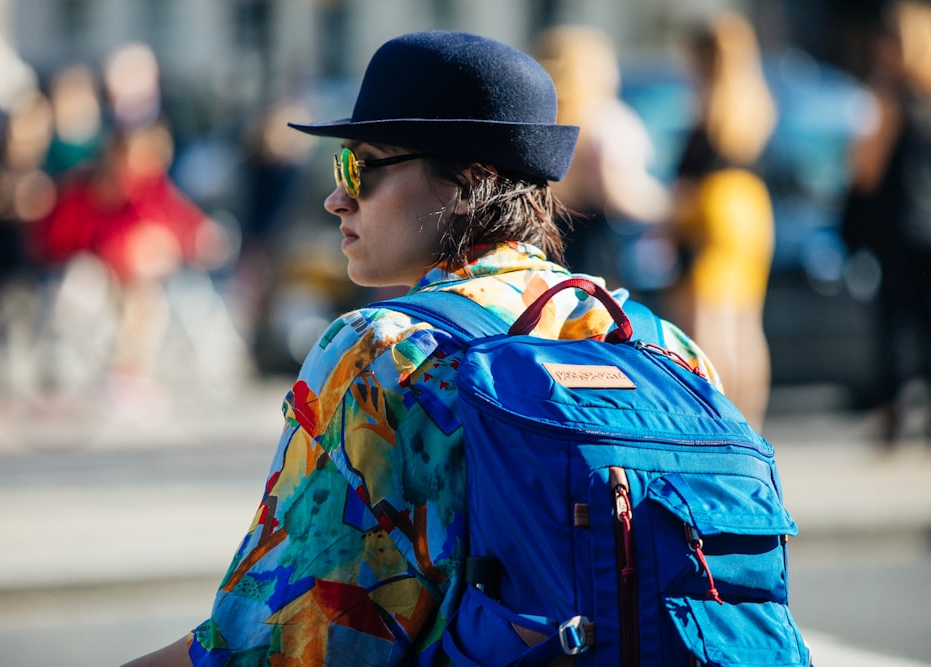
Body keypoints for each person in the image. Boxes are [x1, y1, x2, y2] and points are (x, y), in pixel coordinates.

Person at [124, 30, 718, 666]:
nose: (336, 196)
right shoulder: (669, 349)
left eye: (361, 166)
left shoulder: (386, 352)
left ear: (469, 180)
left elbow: (271, 644)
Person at [667, 11, 776, 431]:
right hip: (751, 208)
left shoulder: (709, 103)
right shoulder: (756, 102)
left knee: (707, 320)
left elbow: (691, 179)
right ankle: (751, 419)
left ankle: (721, 418)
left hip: (711, 208)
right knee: (746, 321)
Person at [841, 0, 931, 447]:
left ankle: (893, 414)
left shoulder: (889, 97)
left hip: (902, 226)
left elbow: (867, 169)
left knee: (896, 324)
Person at [533, 24, 672, 280]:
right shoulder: (603, 121)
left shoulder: (543, 120)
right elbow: (618, 194)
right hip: (593, 246)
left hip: (546, 239)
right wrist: (672, 206)